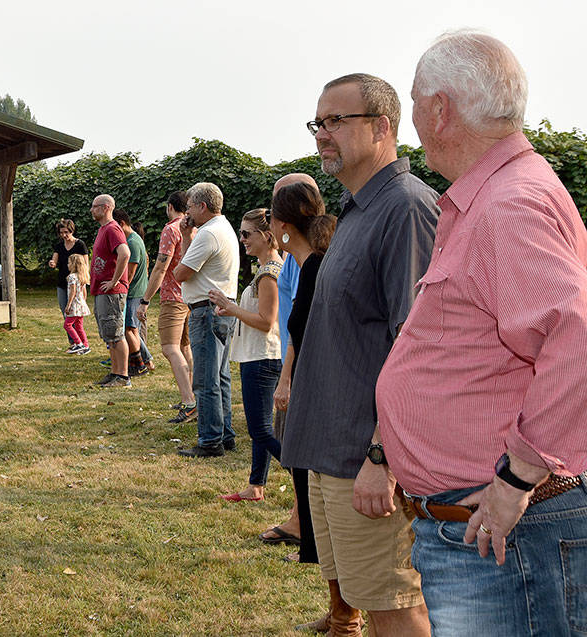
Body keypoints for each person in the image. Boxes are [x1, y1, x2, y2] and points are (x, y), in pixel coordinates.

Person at [377, 32, 587, 635]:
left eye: (414, 101)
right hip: (488, 532)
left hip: (503, 536)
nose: (412, 118)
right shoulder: (498, 194)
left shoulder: (508, 204)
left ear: (439, 109)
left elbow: (574, 336)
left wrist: (517, 476)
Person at [281, 73, 439, 636]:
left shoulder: (407, 209)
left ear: (382, 127)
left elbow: (419, 347)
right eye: (317, 123)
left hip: (365, 457)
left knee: (396, 606)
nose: (322, 134)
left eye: (335, 121)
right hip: (330, 451)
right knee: (365, 599)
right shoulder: (355, 210)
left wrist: (383, 457)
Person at [265, 181, 344, 632]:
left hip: (321, 399)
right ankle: (340, 611)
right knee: (312, 497)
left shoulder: (316, 267)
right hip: (309, 391)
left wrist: (289, 379)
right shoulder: (307, 263)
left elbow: (313, 334)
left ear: (281, 226)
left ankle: (346, 616)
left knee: (328, 507)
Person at [209, 208, 282, 502]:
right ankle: (256, 486)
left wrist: (230, 307)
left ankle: (304, 477)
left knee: (261, 430)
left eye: (246, 234)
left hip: (262, 358)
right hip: (260, 356)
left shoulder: (269, 273)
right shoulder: (270, 267)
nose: (242, 239)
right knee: (262, 427)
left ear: (266, 236)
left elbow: (266, 321)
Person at [174, 183, 240, 457]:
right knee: (221, 376)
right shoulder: (222, 229)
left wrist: (188, 237)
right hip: (221, 310)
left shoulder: (208, 234)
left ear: (202, 206)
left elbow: (180, 273)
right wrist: (188, 234)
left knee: (205, 380)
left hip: (205, 312)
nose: (186, 211)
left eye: (189, 206)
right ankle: (225, 434)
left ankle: (210, 440)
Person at [140, 191, 197, 423]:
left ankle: (190, 403)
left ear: (170, 206)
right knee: (185, 347)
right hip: (191, 296)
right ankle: (192, 396)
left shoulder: (171, 229)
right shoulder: (194, 228)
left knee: (169, 348)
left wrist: (145, 300)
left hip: (173, 297)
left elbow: (161, 268)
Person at [87, 194, 131, 387]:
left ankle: (123, 376)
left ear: (105, 208)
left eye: (94, 206)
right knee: (109, 333)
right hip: (102, 291)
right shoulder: (103, 229)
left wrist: (114, 281)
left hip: (112, 292)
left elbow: (125, 253)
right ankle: (114, 372)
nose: (91, 210)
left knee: (116, 333)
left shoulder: (113, 229)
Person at [114, 210, 152, 376]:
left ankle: (142, 363)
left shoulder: (133, 242)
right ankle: (145, 361)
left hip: (134, 292)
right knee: (132, 329)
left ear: (122, 223)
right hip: (133, 291)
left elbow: (130, 273)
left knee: (129, 329)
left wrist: (118, 288)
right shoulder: (131, 239)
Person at [48, 218, 88, 349]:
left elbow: (85, 265)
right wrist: (52, 263)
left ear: (72, 230)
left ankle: (80, 342)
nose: (63, 235)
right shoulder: (59, 246)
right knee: (66, 312)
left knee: (76, 314)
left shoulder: (80, 245)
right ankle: (74, 342)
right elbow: (54, 260)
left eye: (66, 232)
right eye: (61, 232)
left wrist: (84, 284)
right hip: (63, 283)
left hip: (77, 283)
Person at [62, 253, 91, 354]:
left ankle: (79, 344)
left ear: (74, 264)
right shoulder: (81, 276)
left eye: (69, 262)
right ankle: (86, 346)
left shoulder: (72, 277)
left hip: (74, 304)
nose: (67, 264)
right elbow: (84, 292)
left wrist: (69, 304)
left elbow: (72, 291)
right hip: (81, 304)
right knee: (79, 326)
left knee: (67, 325)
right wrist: (84, 302)